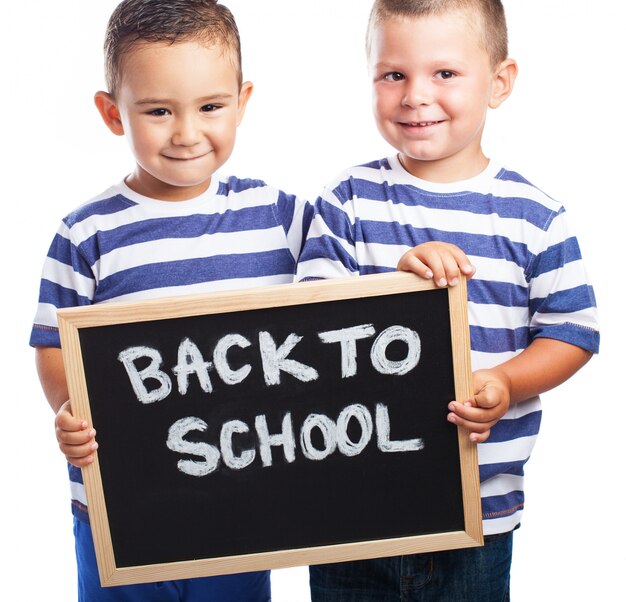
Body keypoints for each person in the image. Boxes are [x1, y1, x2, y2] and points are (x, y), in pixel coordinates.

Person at [296, 0, 599, 600]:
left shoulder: (534, 216)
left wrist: (507, 383)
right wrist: (398, 288)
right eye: (393, 75)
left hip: (478, 514)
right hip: (353, 511)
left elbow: (572, 332)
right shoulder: (346, 201)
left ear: (500, 82)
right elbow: (310, 326)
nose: (414, 95)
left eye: (445, 73)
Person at [29, 1, 310, 600]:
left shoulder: (280, 218)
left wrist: (414, 262)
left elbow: (351, 296)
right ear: (112, 113)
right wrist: (69, 410)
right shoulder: (87, 234)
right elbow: (54, 344)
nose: (186, 133)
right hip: (123, 503)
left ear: (243, 100)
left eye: (211, 107)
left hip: (241, 499)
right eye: (158, 111)